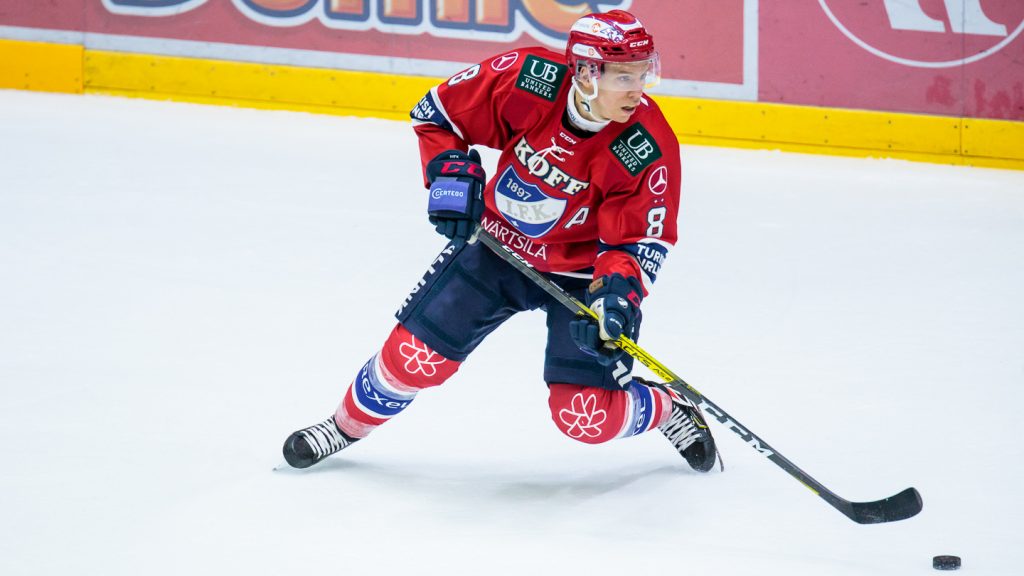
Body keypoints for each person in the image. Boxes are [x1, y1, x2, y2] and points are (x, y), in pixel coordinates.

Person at [282, 9, 717, 472]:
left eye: (643, 74)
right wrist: (451, 180)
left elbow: (636, 241)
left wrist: (615, 300)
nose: (638, 90)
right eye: (624, 77)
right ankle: (344, 427)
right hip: (497, 247)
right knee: (414, 358)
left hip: (581, 277)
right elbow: (438, 115)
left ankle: (669, 407)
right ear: (586, 73)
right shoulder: (528, 78)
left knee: (586, 417)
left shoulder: (645, 145)